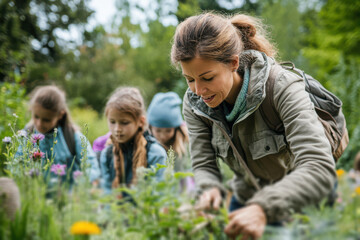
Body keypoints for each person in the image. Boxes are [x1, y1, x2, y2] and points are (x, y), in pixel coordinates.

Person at [171, 12, 336, 239]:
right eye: (189, 79)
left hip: (303, 200)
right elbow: (203, 163)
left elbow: (318, 166)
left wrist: (263, 208)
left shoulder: (282, 87)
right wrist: (208, 189)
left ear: (233, 63)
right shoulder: (195, 104)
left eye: (207, 78)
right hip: (247, 197)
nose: (198, 91)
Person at [16, 85, 100, 186]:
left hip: (68, 197)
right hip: (36, 197)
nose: (39, 124)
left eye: (46, 120)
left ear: (60, 115)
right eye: (36, 117)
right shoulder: (27, 136)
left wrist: (78, 187)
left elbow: (92, 167)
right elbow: (16, 165)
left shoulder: (72, 136)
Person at [100, 87, 167, 195]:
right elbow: (107, 194)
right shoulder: (107, 155)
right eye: (112, 122)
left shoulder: (154, 153)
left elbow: (160, 194)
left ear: (141, 121)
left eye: (124, 122)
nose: (117, 129)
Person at [147, 92, 195, 193]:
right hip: (156, 187)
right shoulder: (146, 140)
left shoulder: (183, 139)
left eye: (168, 131)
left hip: (183, 186)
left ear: (176, 128)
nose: (163, 136)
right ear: (150, 127)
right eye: (158, 131)